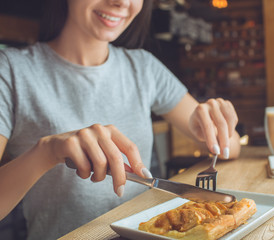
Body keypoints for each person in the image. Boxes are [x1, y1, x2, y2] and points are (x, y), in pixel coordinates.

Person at [0, 0, 241, 239]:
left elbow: (232, 145)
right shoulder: (11, 70)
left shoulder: (144, 67)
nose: (121, 2)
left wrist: (213, 126)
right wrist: (46, 152)